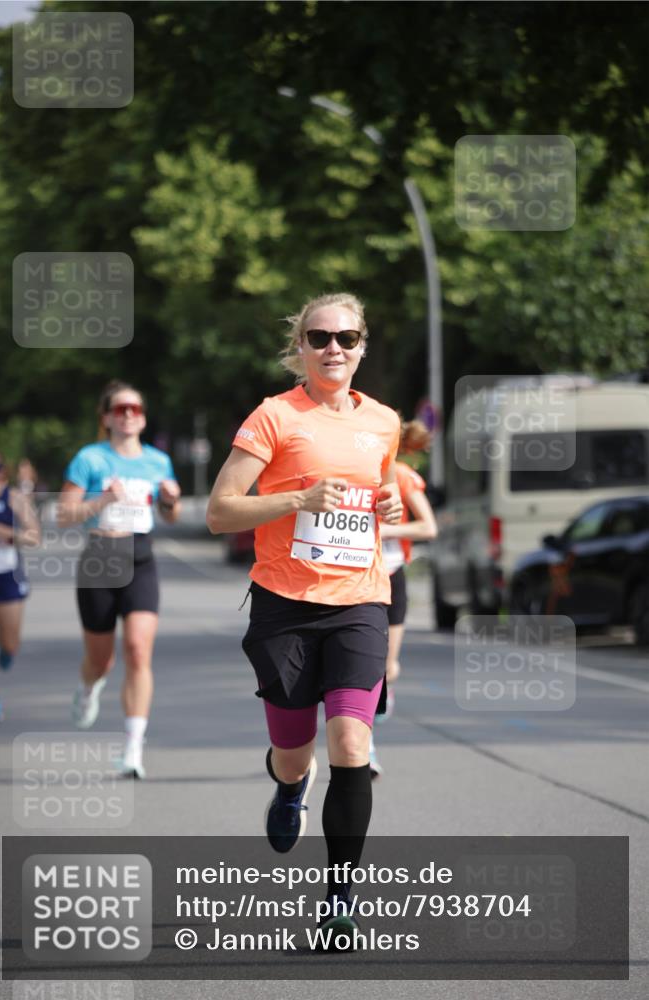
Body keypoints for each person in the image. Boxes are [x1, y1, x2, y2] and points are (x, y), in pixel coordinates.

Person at [206, 292, 403, 942]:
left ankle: (339, 900)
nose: (333, 348)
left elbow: (381, 495)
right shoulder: (274, 416)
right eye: (320, 337)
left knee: (351, 744)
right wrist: (297, 499)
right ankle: (290, 789)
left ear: (362, 346)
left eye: (346, 337)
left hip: (360, 601)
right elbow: (220, 511)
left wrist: (390, 507)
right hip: (285, 605)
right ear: (301, 347)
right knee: (294, 755)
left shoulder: (383, 422)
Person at [58, 380, 182, 778]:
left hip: (140, 556)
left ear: (143, 419)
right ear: (107, 417)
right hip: (99, 558)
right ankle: (89, 686)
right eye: (120, 409)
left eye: (135, 409)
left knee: (138, 649)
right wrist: (102, 500)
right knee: (101, 659)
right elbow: (64, 514)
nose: (128, 414)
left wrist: (171, 501)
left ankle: (132, 749)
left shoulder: (158, 461)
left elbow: (170, 517)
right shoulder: (90, 458)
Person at [369, 419, 438, 777]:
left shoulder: (403, 476)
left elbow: (429, 527)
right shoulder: (346, 471)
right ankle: (365, 747)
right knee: (356, 668)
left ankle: (386, 687)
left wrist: (383, 530)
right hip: (354, 579)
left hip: (392, 573)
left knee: (386, 667)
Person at [0, 449, 40, 720]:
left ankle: (6, 652)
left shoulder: (14, 498)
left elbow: (35, 537)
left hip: (7, 575)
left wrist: (8, 533)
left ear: (2, 471)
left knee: (9, 642)